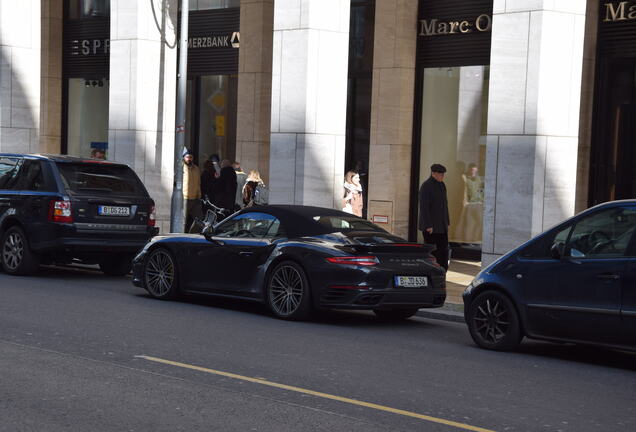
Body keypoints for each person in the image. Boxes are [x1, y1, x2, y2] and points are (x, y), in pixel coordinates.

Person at [419, 163, 450, 270]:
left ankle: (442, 270)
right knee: (433, 251)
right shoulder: (426, 186)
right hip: (431, 227)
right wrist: (428, 225)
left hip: (442, 225)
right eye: (440, 174)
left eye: (443, 174)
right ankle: (432, 270)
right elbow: (424, 207)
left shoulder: (442, 185)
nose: (442, 176)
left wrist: (447, 222)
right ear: (433, 173)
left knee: (443, 250)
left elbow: (444, 205)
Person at [183, 150, 202, 231]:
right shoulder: (181, 168)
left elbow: (198, 183)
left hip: (195, 199)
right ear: (183, 158)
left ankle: (193, 235)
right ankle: (180, 236)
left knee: (199, 220)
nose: (189, 159)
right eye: (187, 157)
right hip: (184, 198)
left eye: (191, 157)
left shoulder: (196, 169)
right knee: (182, 220)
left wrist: (199, 195)